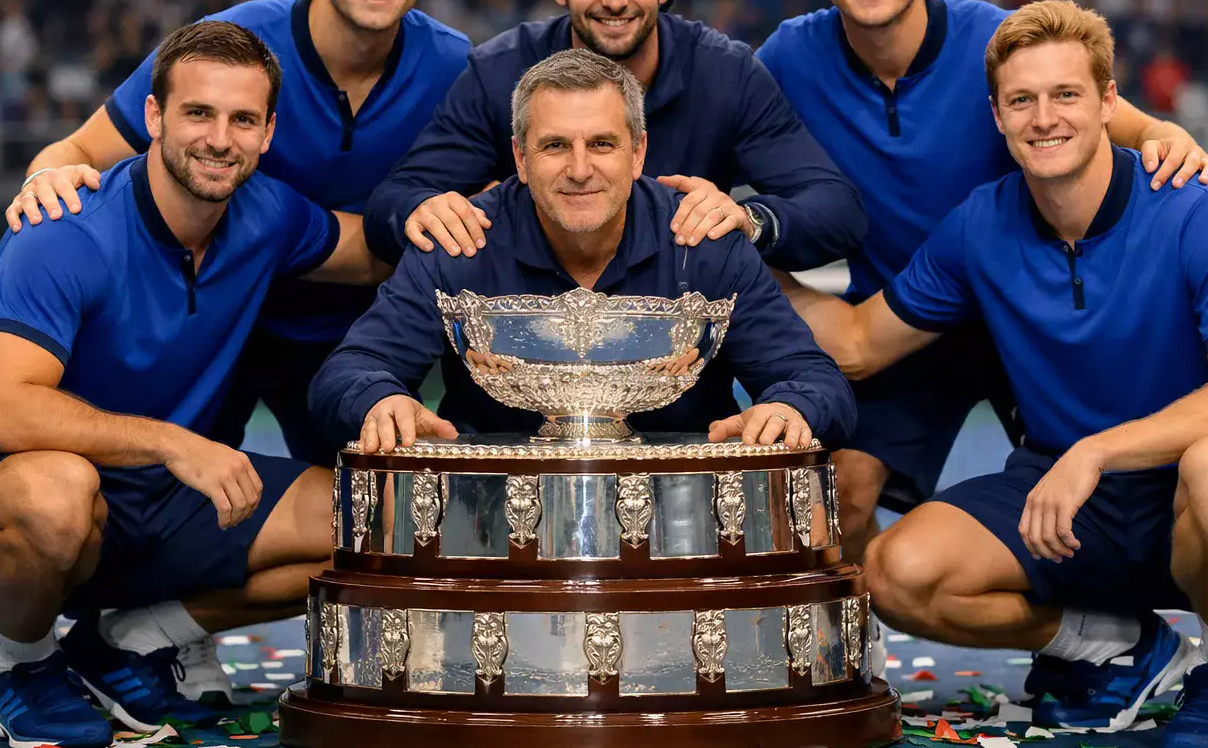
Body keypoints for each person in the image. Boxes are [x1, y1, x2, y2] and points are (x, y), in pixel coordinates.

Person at [780, 0, 1208, 748]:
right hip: (1086, 509)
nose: (1044, 118)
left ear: (1109, 102)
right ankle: (1115, 644)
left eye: (1066, 95)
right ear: (997, 116)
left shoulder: (1200, 210)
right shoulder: (978, 227)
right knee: (896, 573)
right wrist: (739, 258)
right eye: (1022, 100)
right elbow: (856, 343)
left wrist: (1095, 452)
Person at [0, 0, 467, 701]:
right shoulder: (236, 43)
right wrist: (44, 179)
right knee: (180, 494)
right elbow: (75, 152)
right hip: (216, 324)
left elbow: (496, 191)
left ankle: (154, 631)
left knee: (370, 525)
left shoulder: (459, 67)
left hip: (350, 335)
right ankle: (141, 645)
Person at [0, 22, 389, 748]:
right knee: (59, 493)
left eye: (243, 120)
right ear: (155, 116)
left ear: (267, 133)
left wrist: (482, 208)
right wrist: (174, 444)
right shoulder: (64, 228)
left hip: (147, 501)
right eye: (198, 113)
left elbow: (370, 251)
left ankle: (130, 639)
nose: (219, 139)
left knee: (374, 522)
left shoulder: (270, 214)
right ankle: (23, 665)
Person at [757, 0, 1208, 573]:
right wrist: (751, 267)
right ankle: (867, 635)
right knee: (840, 497)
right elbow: (716, 151)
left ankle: (1110, 627)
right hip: (901, 319)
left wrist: (1172, 139)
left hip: (1028, 317)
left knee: (1098, 501)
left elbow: (1129, 124)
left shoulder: (996, 41)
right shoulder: (787, 58)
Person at [310, 48, 855, 453]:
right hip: (491, 522)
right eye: (554, 146)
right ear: (520, 159)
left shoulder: (702, 237)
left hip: (683, 520)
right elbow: (349, 371)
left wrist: (789, 408)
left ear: (637, 153)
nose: (578, 169)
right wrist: (380, 400)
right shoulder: (463, 237)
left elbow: (817, 381)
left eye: (601, 144)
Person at [363, 0, 866, 278]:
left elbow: (837, 210)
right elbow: (392, 204)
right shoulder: (498, 72)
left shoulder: (724, 73)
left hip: (682, 355)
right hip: (521, 342)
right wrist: (432, 212)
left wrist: (749, 220)